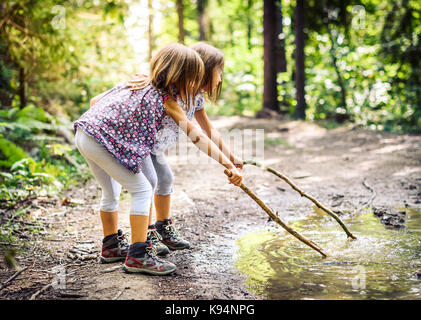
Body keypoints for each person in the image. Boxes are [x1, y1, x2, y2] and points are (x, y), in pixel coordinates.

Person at [73, 43, 243, 276]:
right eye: (194, 78)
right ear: (183, 77)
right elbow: (197, 137)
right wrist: (227, 164)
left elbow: (94, 103)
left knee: (112, 192)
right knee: (143, 190)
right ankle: (138, 256)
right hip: (101, 141)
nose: (196, 84)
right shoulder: (167, 100)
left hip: (85, 133)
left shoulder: (145, 87)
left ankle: (111, 246)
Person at [127, 42, 244, 256]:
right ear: (203, 71)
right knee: (150, 182)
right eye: (219, 73)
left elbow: (209, 130)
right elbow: (196, 135)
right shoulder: (169, 92)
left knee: (165, 179)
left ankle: (163, 227)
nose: (220, 78)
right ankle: (148, 232)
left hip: (154, 148)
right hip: (140, 144)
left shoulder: (196, 98)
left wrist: (231, 156)